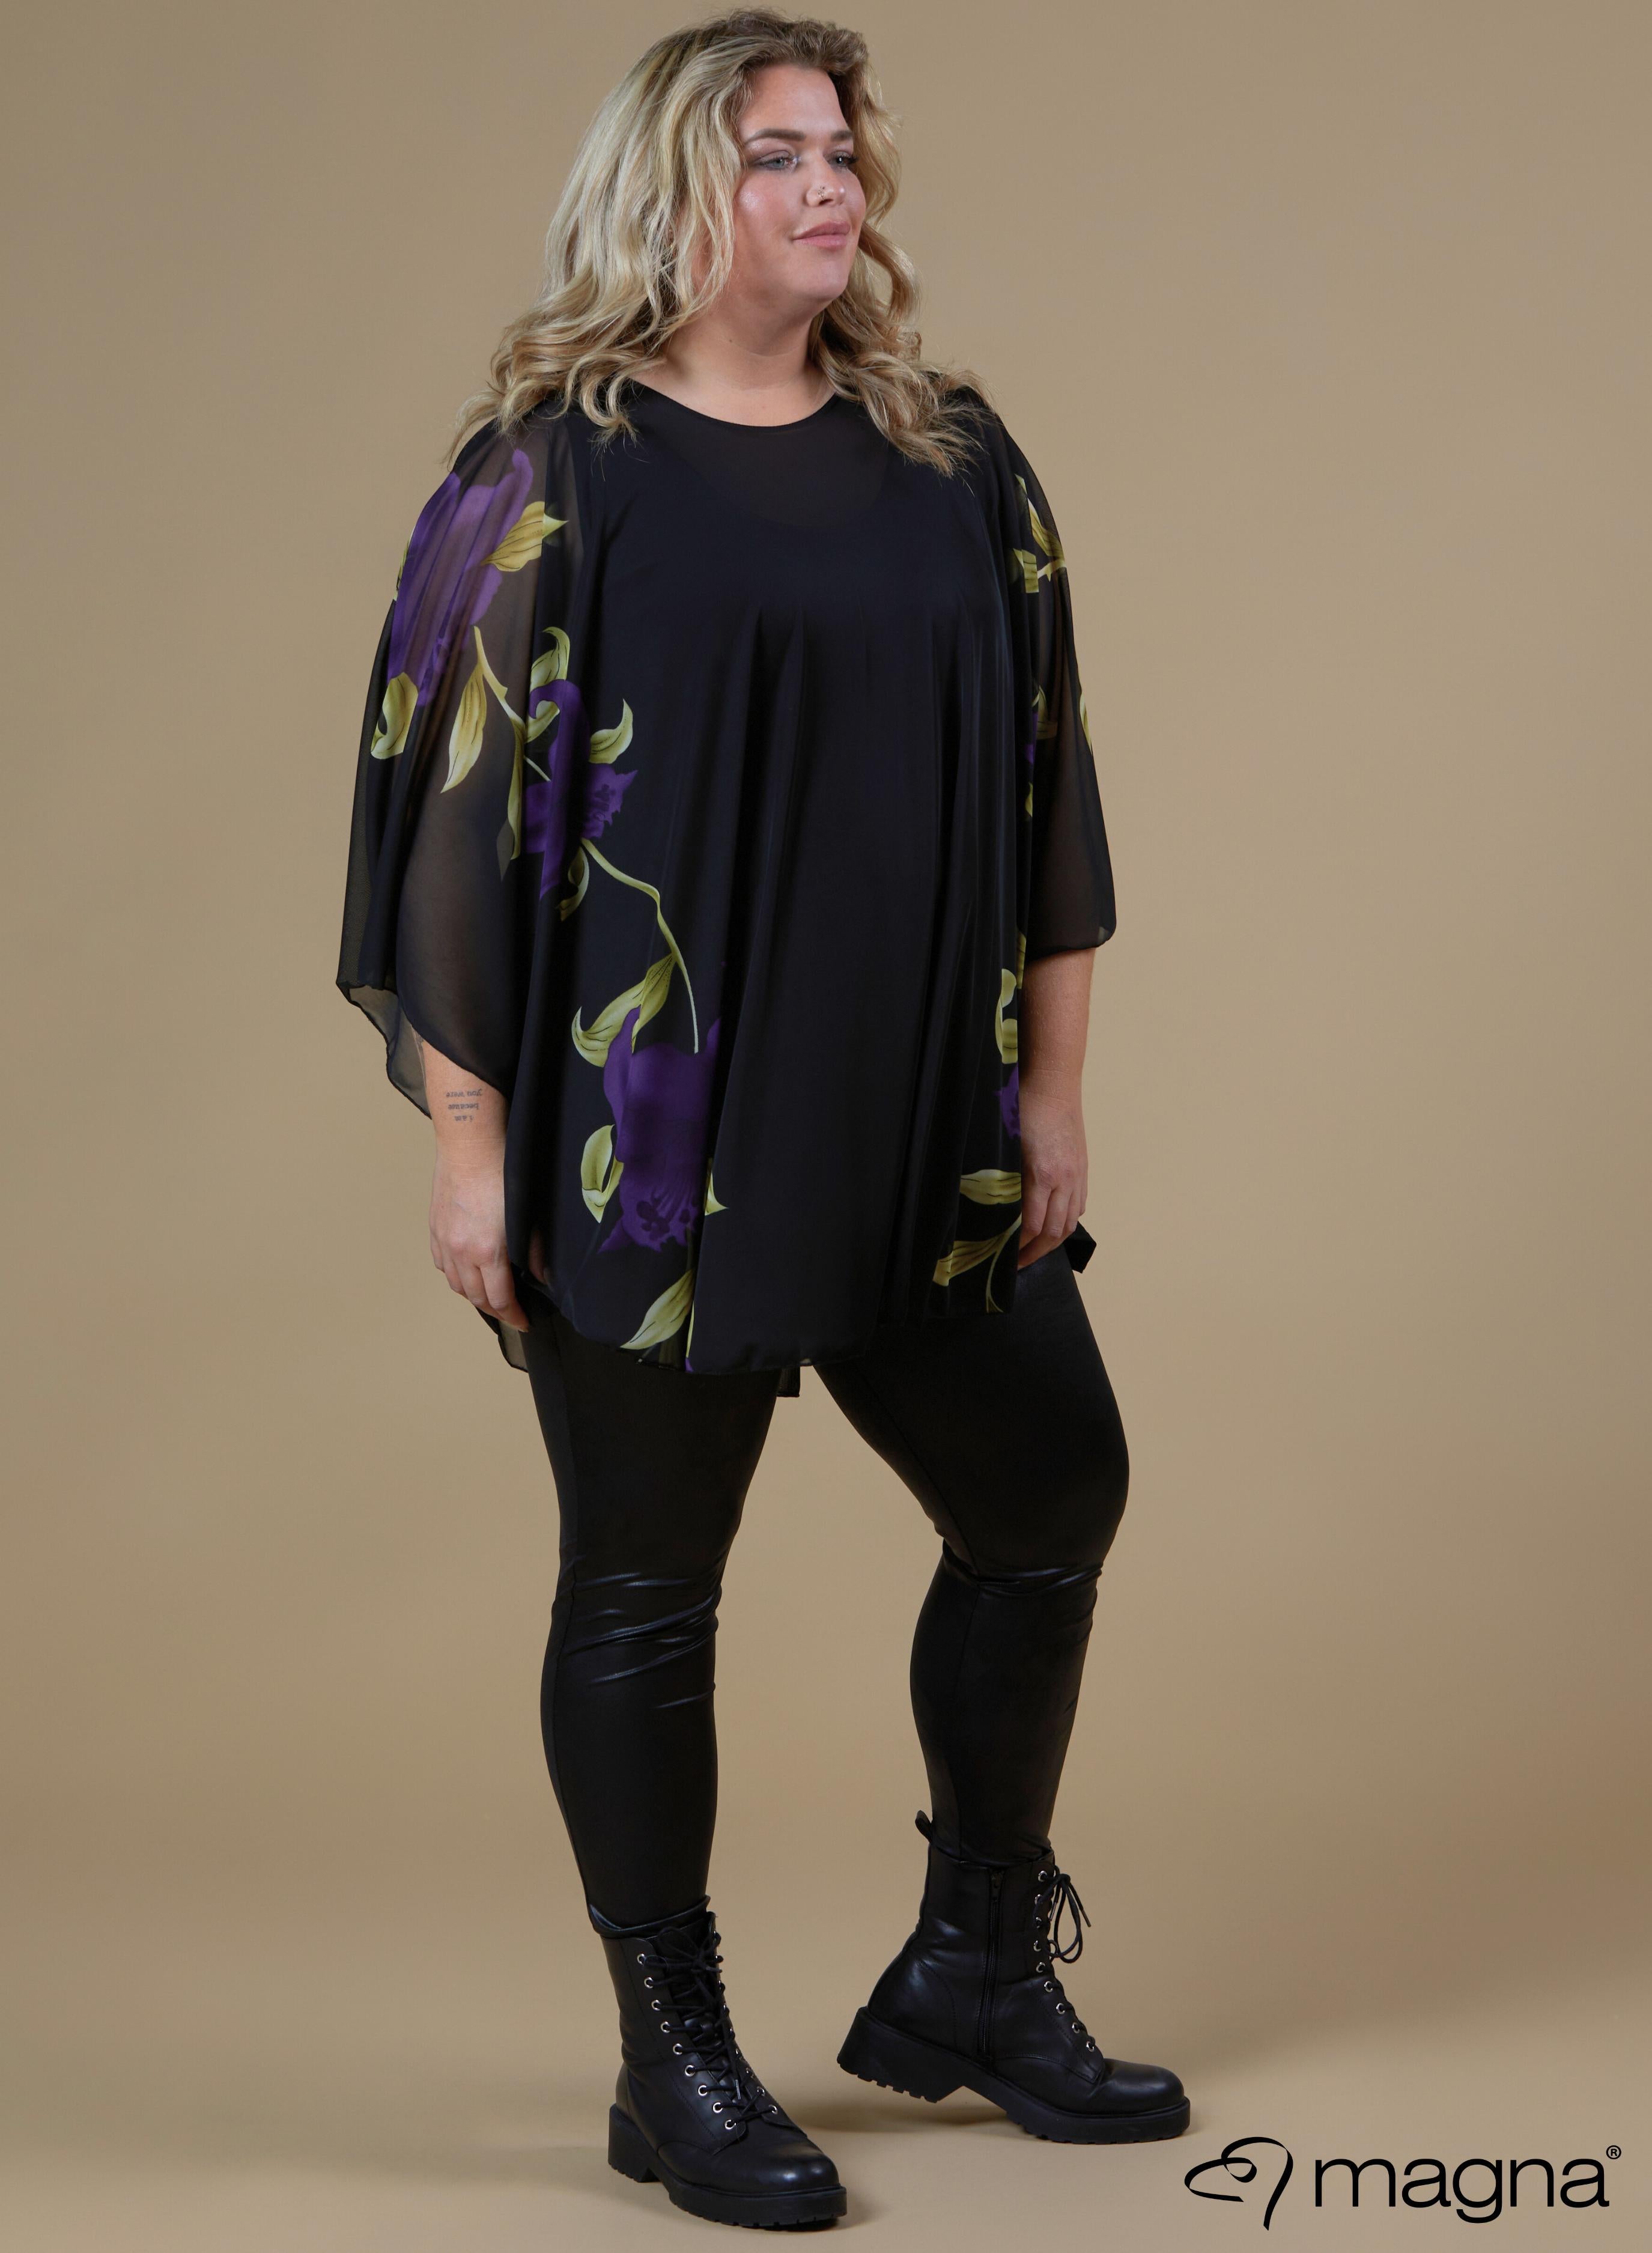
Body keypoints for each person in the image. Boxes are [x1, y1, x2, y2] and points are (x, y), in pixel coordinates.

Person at [338, 7, 1186, 2230]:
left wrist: (1054, 1092)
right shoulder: (551, 470)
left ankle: (974, 1970)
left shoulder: (956, 458)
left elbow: (1051, 780)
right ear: (670, 193)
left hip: (920, 1114)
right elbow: (449, 825)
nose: (832, 188)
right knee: (648, 1588)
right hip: (657, 1131)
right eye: (776, 154)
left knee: (1053, 1495)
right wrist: (468, 1153)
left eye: (841, 151)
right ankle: (673, 2054)